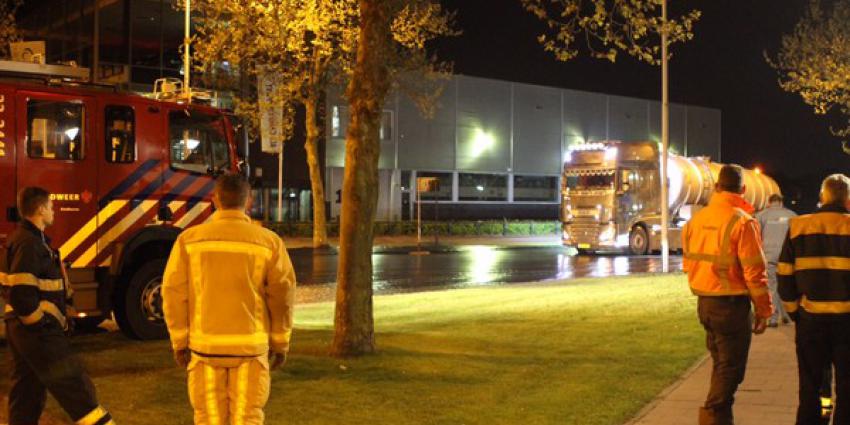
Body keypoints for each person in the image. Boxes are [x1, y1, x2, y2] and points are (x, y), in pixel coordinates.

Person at [163, 174, 296, 425]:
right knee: (247, 419)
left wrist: (180, 342)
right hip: (250, 349)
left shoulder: (189, 241)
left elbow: (173, 293)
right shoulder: (269, 242)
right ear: (248, 202)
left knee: (210, 419)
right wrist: (280, 343)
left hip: (205, 350)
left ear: (215, 200)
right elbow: (283, 297)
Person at [0, 187, 114, 425]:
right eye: (51, 207)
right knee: (76, 387)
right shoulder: (30, 244)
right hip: (38, 333)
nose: (53, 212)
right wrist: (39, 322)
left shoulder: (23, 240)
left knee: (26, 392)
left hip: (23, 331)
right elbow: (21, 292)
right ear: (40, 210)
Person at [682, 164, 773, 425]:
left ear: (717, 187)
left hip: (705, 305)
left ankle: (720, 419)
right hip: (731, 306)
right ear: (743, 190)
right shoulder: (743, 222)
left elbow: (689, 265)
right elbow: (755, 272)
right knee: (731, 370)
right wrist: (764, 310)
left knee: (721, 366)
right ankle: (711, 416)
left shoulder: (695, 221)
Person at [777, 174, 850, 425]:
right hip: (847, 323)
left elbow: (784, 274)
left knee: (809, 387)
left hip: (810, 320)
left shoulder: (799, 226)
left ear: (822, 197)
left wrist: (794, 311)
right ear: (848, 200)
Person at [756, 193, 797, 327]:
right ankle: (787, 315)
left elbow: (756, 237)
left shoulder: (761, 216)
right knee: (786, 286)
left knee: (772, 287)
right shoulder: (792, 215)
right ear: (781, 202)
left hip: (769, 256)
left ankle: (773, 318)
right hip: (787, 257)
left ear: (769, 202)